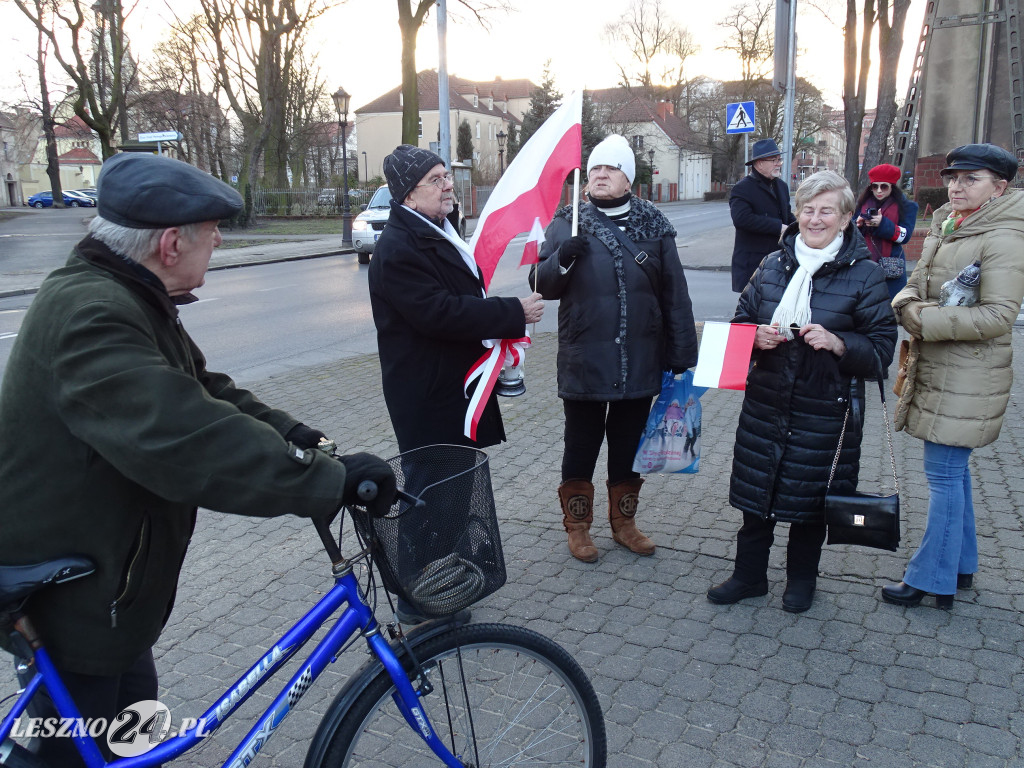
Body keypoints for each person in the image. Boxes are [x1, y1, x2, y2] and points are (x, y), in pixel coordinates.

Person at [0, 153, 396, 766]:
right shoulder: (91, 315)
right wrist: (326, 483)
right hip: (74, 599)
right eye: (211, 232)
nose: (216, 241)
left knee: (131, 737)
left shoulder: (127, 296)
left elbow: (205, 391)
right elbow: (187, 438)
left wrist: (305, 439)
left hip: (113, 594)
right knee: (73, 753)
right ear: (167, 244)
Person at [708, 170, 897, 613]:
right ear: (797, 213)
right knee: (757, 498)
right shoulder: (772, 265)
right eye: (808, 209)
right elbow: (739, 323)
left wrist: (839, 343)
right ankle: (749, 576)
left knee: (810, 503)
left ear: (847, 217)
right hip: (766, 403)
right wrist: (754, 336)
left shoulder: (865, 275)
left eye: (826, 210)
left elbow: (881, 351)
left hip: (826, 411)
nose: (815, 219)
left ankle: (801, 581)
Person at [531, 134, 698, 563]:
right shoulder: (568, 220)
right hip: (584, 357)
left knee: (627, 444)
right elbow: (540, 284)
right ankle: (578, 528)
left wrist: (682, 355)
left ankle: (624, 524)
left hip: (641, 357)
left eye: (611, 168)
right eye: (595, 169)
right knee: (581, 443)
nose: (600, 174)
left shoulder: (655, 225)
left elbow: (674, 293)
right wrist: (562, 258)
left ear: (628, 177)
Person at [883, 143, 1024, 610]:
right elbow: (915, 281)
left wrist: (920, 320)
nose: (956, 186)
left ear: (999, 187)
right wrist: (906, 303)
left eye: (971, 179)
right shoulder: (952, 223)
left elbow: (1000, 315)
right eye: (952, 177)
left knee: (943, 477)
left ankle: (932, 578)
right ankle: (960, 565)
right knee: (953, 476)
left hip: (968, 376)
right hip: (941, 369)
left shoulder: (1001, 237)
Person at [368, 144, 543, 452]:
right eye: (435, 180)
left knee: (461, 488)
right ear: (409, 195)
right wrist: (513, 312)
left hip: (450, 387)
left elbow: (462, 293)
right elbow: (439, 313)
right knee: (436, 491)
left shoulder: (437, 230)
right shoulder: (399, 248)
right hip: (428, 395)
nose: (448, 184)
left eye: (445, 175)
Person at [729, 138, 797, 292]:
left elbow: (787, 214)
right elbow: (742, 219)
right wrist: (778, 227)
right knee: (753, 312)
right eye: (774, 160)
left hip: (779, 260)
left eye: (779, 159)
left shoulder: (781, 186)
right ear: (759, 163)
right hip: (753, 264)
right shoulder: (742, 189)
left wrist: (800, 227)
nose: (779, 163)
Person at [854, 163, 919, 299]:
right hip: (864, 263)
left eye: (884, 186)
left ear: (892, 187)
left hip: (890, 267)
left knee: (891, 306)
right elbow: (850, 233)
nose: (879, 191)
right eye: (875, 186)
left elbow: (905, 236)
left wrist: (882, 224)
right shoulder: (862, 204)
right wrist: (857, 224)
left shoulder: (907, 207)